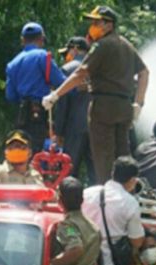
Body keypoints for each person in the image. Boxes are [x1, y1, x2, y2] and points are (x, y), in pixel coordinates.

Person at [42, 5, 150, 184]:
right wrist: (138, 104)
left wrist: (56, 95)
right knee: (122, 153)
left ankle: (107, 193)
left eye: (96, 22)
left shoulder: (102, 45)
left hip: (103, 107)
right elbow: (145, 73)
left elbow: (80, 73)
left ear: (109, 25)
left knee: (103, 155)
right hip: (124, 107)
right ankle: (127, 189)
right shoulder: (126, 45)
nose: (92, 26)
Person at [82, 156, 144, 265]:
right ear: (132, 180)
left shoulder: (87, 193)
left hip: (83, 262)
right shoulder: (130, 203)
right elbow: (137, 240)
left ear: (112, 173)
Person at [6, 22, 66, 152]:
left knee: (24, 148)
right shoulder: (42, 56)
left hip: (21, 115)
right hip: (40, 112)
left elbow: (10, 96)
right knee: (38, 151)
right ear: (41, 39)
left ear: (22, 40)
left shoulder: (13, 63)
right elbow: (60, 82)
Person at [51, 177, 101, 265]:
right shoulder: (92, 226)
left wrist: (51, 263)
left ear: (59, 199)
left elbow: (76, 249)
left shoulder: (68, 226)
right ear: (82, 200)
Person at [53, 37, 96, 184]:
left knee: (69, 170)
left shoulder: (68, 69)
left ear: (75, 49)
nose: (66, 57)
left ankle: (68, 204)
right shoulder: (99, 68)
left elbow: (62, 103)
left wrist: (58, 131)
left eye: (67, 52)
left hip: (74, 127)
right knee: (97, 173)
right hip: (97, 126)